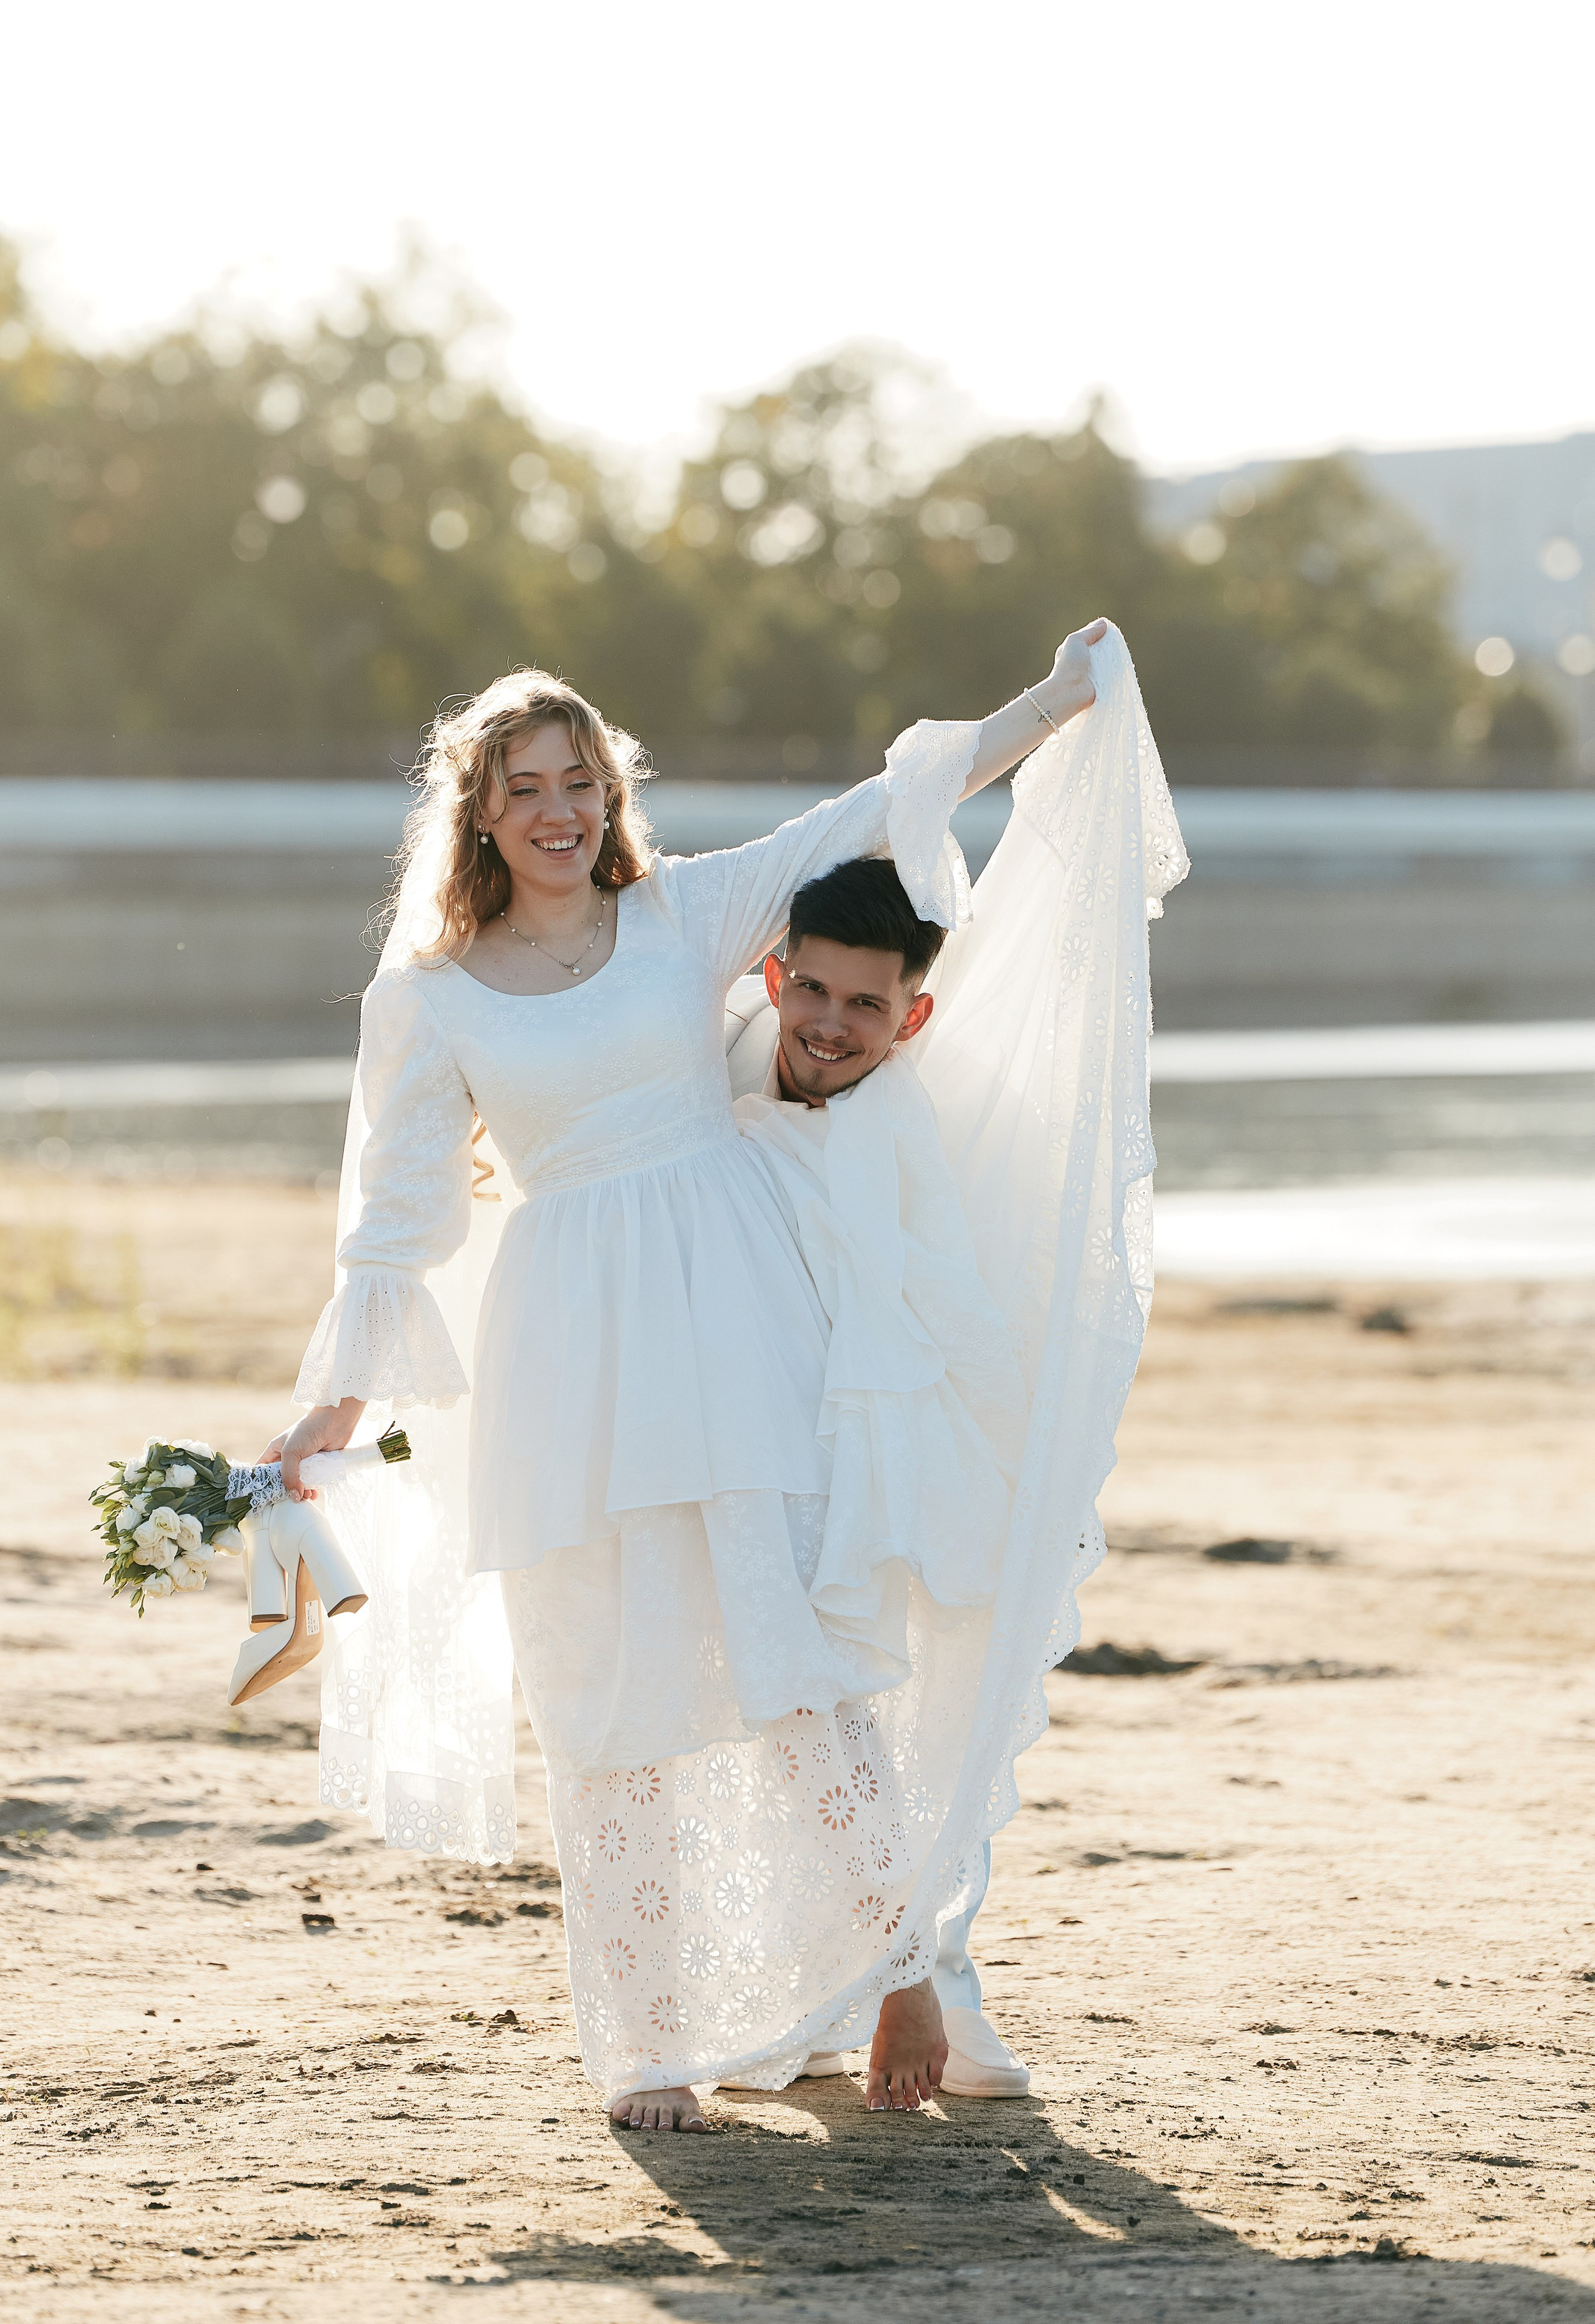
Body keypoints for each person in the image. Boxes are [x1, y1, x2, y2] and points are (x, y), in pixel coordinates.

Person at [264, 619, 1187, 2131]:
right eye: (524, 788)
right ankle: (647, 2050)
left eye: (578, 778)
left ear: (607, 791)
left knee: (795, 1659)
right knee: (600, 1701)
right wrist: (333, 1410)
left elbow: (873, 814)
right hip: (567, 1351)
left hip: (737, 1325)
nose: (558, 810)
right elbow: (397, 1230)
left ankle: (893, 1963)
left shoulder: (684, 916)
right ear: (479, 813)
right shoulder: (430, 996)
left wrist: (1053, 694)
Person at [723, 858, 1027, 2097]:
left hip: (854, 1454)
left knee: (848, 1711)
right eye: (812, 991)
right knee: (791, 1721)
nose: (830, 1027)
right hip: (726, 1442)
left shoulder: (904, 1131)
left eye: (866, 1006)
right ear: (769, 976)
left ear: (914, 1019)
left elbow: (942, 1301)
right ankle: (864, 1980)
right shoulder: (703, 1085)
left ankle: (909, 1969)